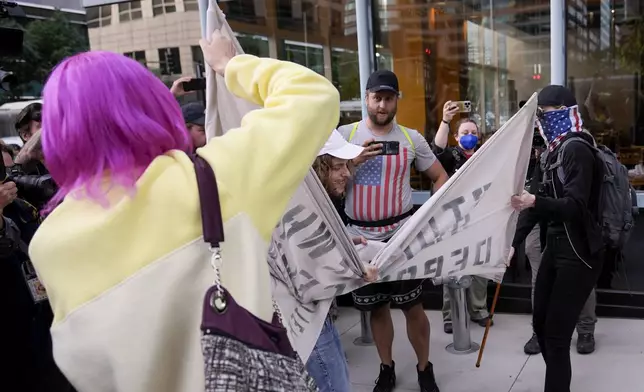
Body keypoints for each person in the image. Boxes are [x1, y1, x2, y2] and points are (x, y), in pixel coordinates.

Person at [28, 30, 340, 392]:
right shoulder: (212, 179)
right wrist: (229, 64)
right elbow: (313, 96)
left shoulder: (48, 245)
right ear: (153, 105)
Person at [340, 69, 448, 392]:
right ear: (367, 99)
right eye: (377, 98)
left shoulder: (412, 139)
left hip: (401, 238)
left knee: (414, 306)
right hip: (360, 238)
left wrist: (425, 218)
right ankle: (386, 367)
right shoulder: (345, 137)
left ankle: (424, 368)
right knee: (377, 308)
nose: (382, 105)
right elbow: (326, 186)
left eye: (388, 99)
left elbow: (440, 177)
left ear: (396, 100)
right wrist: (351, 163)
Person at [510, 85, 604, 392]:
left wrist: (535, 202)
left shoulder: (577, 149)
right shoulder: (551, 152)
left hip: (579, 253)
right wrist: (512, 245)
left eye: (548, 115)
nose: (543, 122)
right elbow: (532, 205)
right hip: (556, 246)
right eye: (540, 117)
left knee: (556, 336)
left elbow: (575, 207)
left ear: (566, 113)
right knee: (540, 324)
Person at [307, 129, 378, 392]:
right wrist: (356, 272)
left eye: (347, 165)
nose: (347, 174)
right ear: (315, 168)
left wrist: (343, 243)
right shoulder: (305, 209)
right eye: (337, 167)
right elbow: (307, 271)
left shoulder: (320, 201)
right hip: (307, 321)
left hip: (319, 315)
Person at [432, 101, 491, 334]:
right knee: (453, 266)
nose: (469, 136)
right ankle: (450, 314)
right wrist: (445, 120)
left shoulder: (485, 156)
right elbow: (437, 150)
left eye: (473, 133)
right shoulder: (451, 157)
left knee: (479, 267)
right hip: (453, 220)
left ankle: (478, 310)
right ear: (456, 137)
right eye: (465, 133)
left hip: (480, 219)